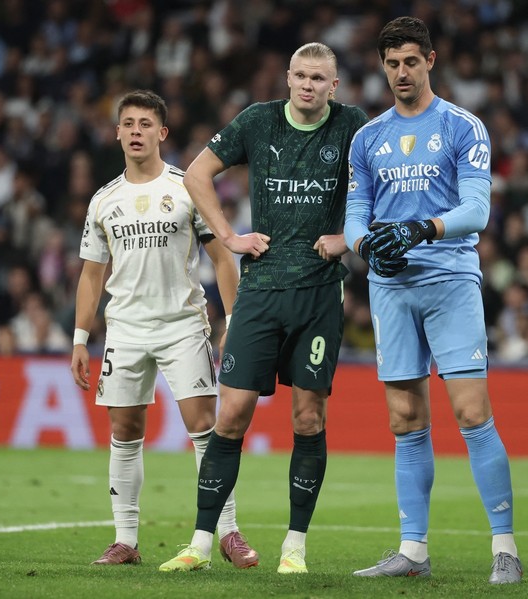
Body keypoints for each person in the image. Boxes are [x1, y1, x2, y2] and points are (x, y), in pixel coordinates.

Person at [158, 42, 368, 574]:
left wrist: (349, 237)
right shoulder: (258, 121)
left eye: (319, 78)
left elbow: (383, 186)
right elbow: (195, 174)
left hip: (319, 293)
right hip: (259, 292)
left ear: (334, 86)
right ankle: (201, 545)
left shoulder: (353, 126)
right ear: (287, 77)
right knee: (229, 416)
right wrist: (228, 235)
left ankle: (294, 548)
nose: (307, 85)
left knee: (308, 416)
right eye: (299, 75)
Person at [344, 17, 522, 585]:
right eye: (392, 63)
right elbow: (354, 215)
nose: (401, 72)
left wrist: (423, 229)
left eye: (411, 62)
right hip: (391, 287)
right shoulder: (367, 138)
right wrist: (365, 244)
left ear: (431, 61)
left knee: (471, 412)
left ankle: (505, 548)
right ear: (383, 66)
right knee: (404, 418)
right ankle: (413, 551)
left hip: (449, 282)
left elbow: (477, 211)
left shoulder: (463, 127)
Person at [70, 89, 258, 568]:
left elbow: (221, 258)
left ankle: (229, 532)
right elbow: (92, 274)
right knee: (125, 432)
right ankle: (126, 541)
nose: (136, 132)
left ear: (162, 133)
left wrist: (233, 320)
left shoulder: (185, 188)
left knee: (205, 430)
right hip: (125, 330)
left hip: (181, 325)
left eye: (145, 124)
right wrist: (79, 339)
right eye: (128, 123)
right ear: (116, 132)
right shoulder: (103, 200)